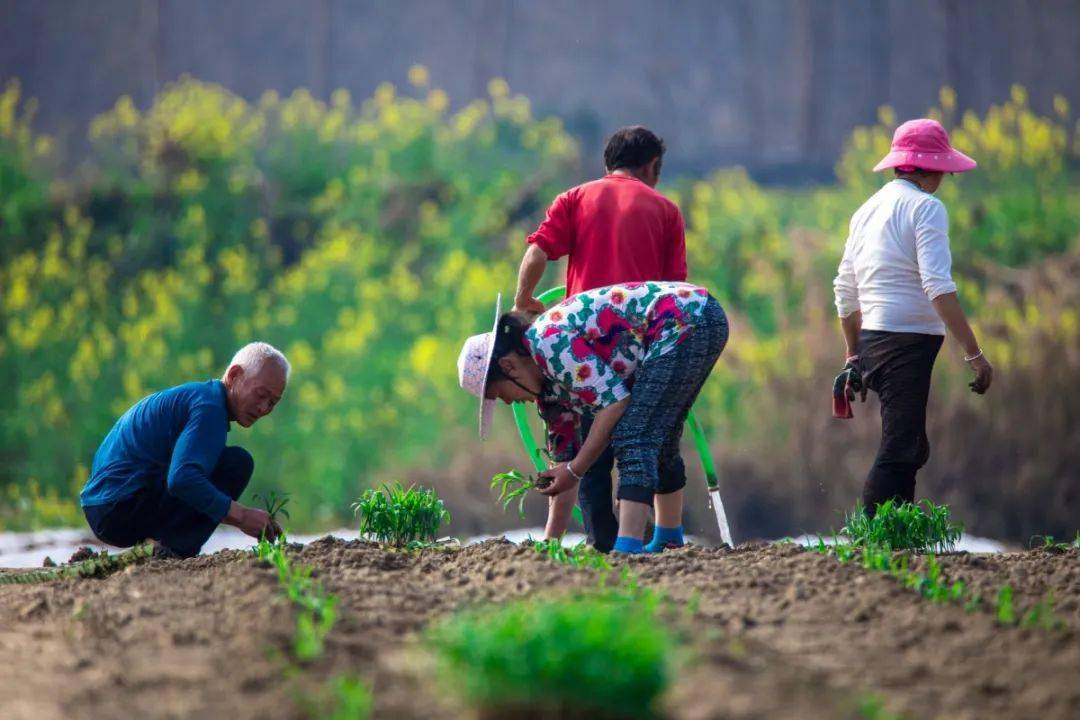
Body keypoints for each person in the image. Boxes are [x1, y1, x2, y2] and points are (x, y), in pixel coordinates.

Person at [512, 126, 687, 552]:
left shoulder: (575, 198)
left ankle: (603, 544)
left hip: (586, 349)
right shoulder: (666, 210)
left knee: (591, 447)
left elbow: (537, 251)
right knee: (650, 438)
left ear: (608, 163)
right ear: (652, 166)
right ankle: (657, 537)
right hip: (644, 346)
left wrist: (523, 301)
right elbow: (675, 291)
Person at [458, 281, 728, 554]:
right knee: (660, 433)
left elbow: (615, 403)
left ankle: (628, 547)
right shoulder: (550, 393)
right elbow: (564, 468)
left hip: (685, 318)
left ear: (508, 366)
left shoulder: (548, 343)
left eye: (498, 394)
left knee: (635, 434)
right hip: (694, 317)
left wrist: (575, 469)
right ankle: (668, 539)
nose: (507, 402)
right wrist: (550, 545)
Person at [833, 118, 993, 516]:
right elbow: (937, 285)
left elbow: (844, 289)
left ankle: (899, 532)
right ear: (933, 168)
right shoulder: (926, 208)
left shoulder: (866, 210)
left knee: (911, 444)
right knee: (901, 447)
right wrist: (974, 353)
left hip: (873, 340)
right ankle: (875, 534)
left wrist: (853, 354)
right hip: (906, 342)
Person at [80, 342, 291, 558]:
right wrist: (242, 516)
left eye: (272, 402)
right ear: (234, 375)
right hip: (117, 507)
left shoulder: (201, 399)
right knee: (237, 464)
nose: (263, 408)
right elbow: (182, 479)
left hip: (104, 506)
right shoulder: (209, 408)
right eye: (260, 394)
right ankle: (173, 551)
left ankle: (162, 547)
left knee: (221, 462)